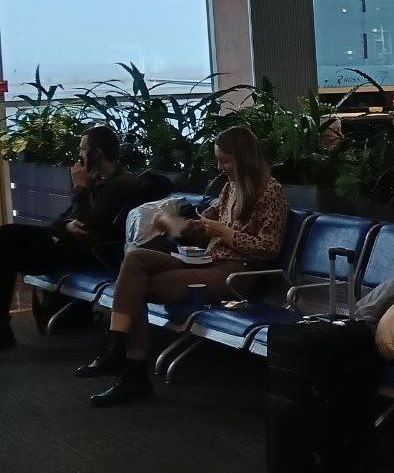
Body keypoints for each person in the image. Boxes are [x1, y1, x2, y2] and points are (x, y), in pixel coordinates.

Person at [76, 126, 288, 406]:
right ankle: (118, 347)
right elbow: (201, 228)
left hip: (237, 273)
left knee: (138, 286)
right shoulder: (229, 189)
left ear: (244, 158)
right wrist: (173, 225)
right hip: (208, 262)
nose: (220, 167)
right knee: (136, 258)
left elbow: (268, 247)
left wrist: (224, 233)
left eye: (225, 160)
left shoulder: (270, 191)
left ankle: (129, 365)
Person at [0, 127, 135, 350]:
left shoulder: (120, 185)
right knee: (6, 234)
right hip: (67, 239)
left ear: (96, 153)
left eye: (82, 149)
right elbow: (67, 219)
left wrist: (80, 188)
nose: (79, 155)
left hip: (88, 251)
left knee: (6, 251)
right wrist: (66, 225)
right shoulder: (96, 179)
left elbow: (88, 223)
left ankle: (2, 329)